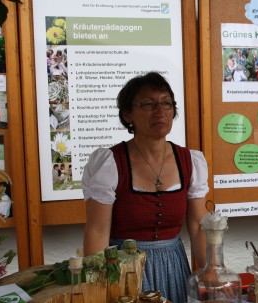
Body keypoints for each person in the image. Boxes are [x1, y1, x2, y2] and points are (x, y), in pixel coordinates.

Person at [82, 72, 209, 303]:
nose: (160, 111)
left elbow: (198, 224)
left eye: (166, 103)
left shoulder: (190, 161)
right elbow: (97, 232)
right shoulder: (110, 163)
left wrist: (211, 269)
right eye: (149, 104)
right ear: (128, 114)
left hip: (173, 267)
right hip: (124, 268)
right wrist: (99, 288)